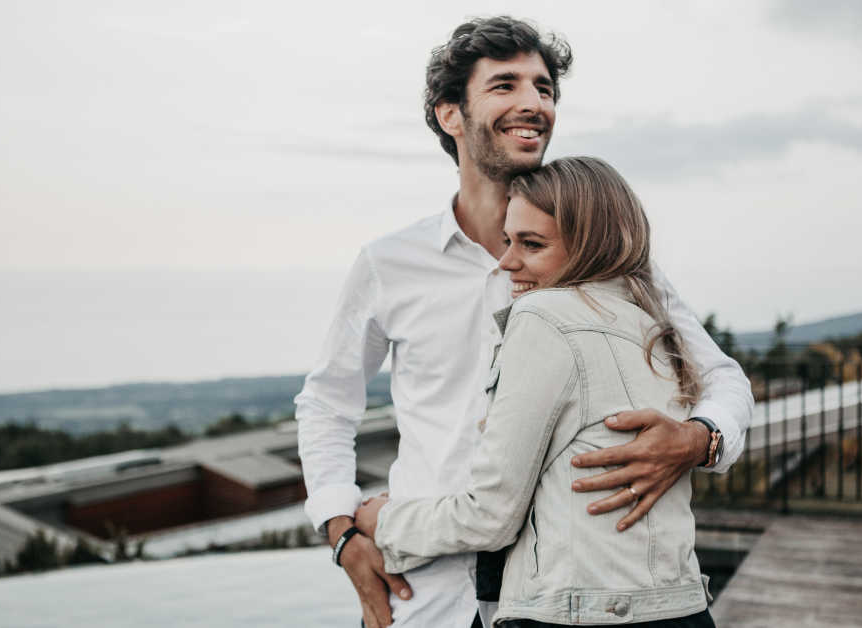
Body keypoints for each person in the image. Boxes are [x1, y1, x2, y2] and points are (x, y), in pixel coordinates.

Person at [295, 16, 753, 628]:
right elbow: (327, 403)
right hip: (426, 592)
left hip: (571, 602)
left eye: (544, 88)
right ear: (450, 114)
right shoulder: (388, 265)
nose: (533, 104)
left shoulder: (613, 261)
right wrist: (342, 532)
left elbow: (722, 377)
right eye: (505, 85)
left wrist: (699, 440)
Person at [354, 156, 718, 628]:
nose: (507, 263)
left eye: (532, 244)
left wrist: (382, 521)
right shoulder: (655, 328)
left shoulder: (543, 317)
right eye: (508, 240)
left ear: (590, 246)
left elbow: (491, 515)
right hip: (681, 608)